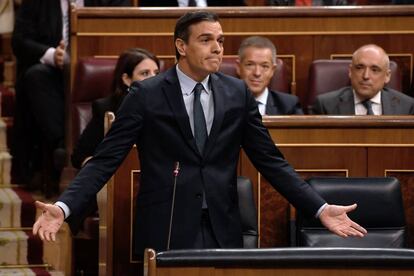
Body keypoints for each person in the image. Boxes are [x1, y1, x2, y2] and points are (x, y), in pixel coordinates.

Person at [33, 11, 366, 257]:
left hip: (223, 225)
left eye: (220, 41)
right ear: (181, 45)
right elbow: (105, 160)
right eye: (206, 40)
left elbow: (271, 161)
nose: (217, 48)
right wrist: (64, 207)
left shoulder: (237, 93)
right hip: (167, 224)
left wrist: (319, 209)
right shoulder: (146, 95)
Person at [11, 0, 130, 192]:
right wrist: (52, 54)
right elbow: (19, 41)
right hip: (53, 73)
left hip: (100, 63)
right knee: (35, 77)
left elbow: (124, 23)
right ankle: (63, 145)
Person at [71, 48, 160, 169]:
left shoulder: (171, 105)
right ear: (127, 79)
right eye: (145, 73)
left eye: (156, 73)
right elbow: (79, 156)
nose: (154, 78)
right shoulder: (107, 109)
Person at [312, 44, 414, 115]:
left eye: (375, 70)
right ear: (350, 71)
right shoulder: (325, 105)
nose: (366, 76)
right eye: (359, 68)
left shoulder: (407, 106)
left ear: (387, 76)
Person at [236, 36, 303, 115]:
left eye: (264, 66)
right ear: (239, 67)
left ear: (273, 70)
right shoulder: (222, 103)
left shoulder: (289, 106)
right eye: (250, 65)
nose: (257, 73)